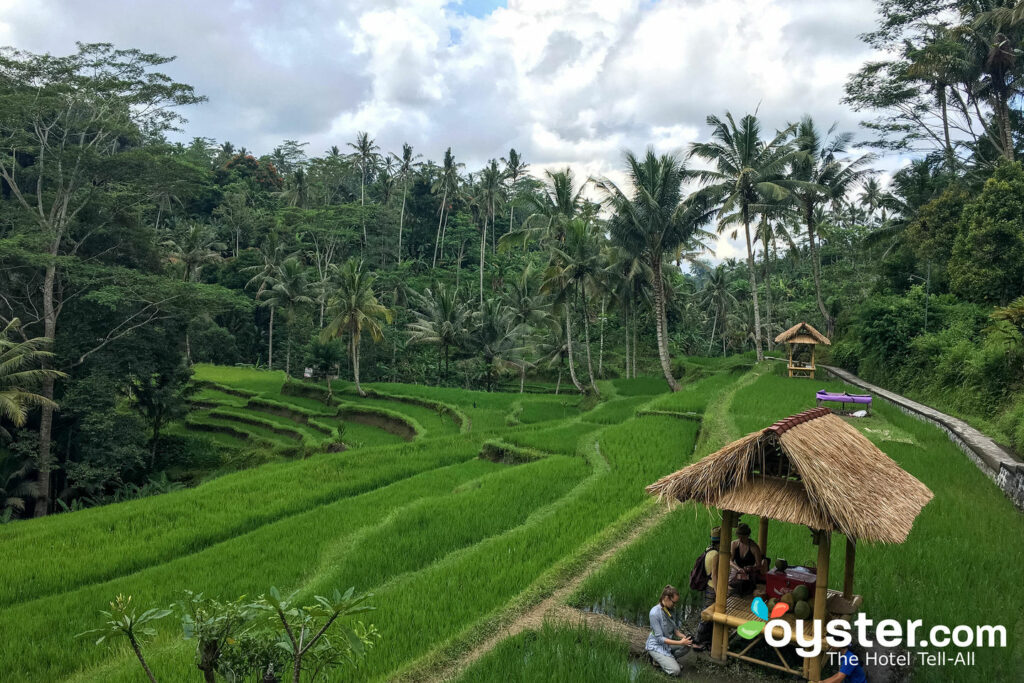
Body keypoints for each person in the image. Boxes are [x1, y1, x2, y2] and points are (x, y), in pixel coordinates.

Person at [645, 585, 694, 676]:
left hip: (667, 644)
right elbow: (659, 638)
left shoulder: (671, 610)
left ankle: (667, 660)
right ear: (666, 598)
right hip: (656, 645)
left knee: (688, 646)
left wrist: (686, 638)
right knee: (676, 671)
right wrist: (680, 643)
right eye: (674, 602)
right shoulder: (654, 613)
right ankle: (656, 659)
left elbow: (675, 630)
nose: (675, 605)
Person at [693, 526, 720, 649]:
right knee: (707, 614)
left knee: (709, 613)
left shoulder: (709, 550)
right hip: (711, 587)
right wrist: (717, 590)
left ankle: (706, 640)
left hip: (710, 586)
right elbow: (714, 574)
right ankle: (698, 640)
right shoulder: (715, 554)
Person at [729, 522, 764, 596]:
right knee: (731, 585)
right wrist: (738, 568)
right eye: (739, 537)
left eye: (743, 537)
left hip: (749, 573)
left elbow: (759, 565)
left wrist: (751, 568)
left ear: (748, 535)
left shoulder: (754, 547)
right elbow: (730, 561)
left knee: (745, 587)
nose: (740, 539)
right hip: (736, 570)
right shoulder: (734, 544)